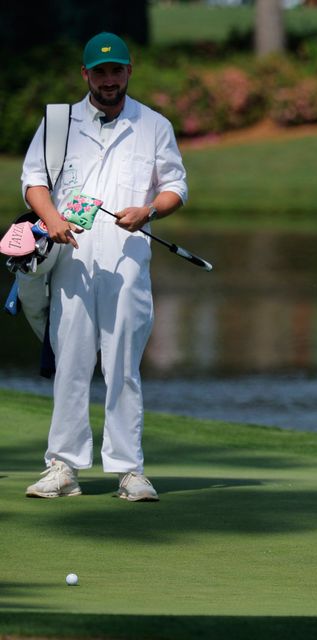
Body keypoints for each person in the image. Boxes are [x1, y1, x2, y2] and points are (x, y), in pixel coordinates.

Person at [20, 32, 188, 502]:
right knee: (70, 362)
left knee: (123, 366)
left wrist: (150, 211)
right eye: (100, 71)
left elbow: (176, 184)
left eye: (116, 71)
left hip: (127, 261)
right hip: (69, 258)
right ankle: (63, 467)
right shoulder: (58, 122)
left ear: (129, 72)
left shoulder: (154, 125)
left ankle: (129, 470)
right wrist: (50, 219)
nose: (108, 79)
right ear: (86, 74)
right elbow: (34, 180)